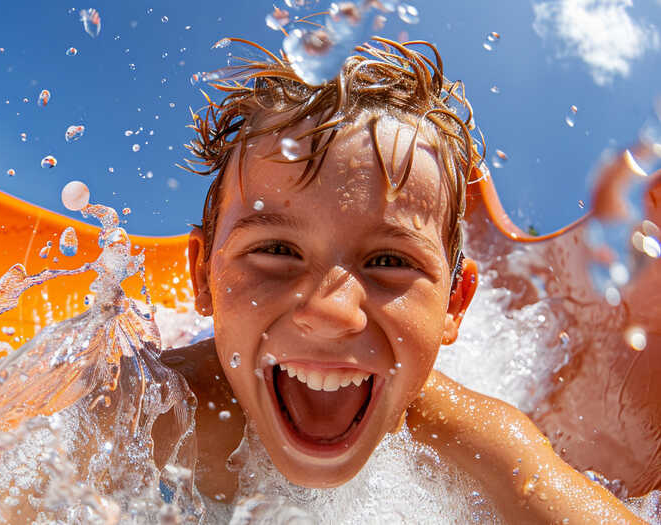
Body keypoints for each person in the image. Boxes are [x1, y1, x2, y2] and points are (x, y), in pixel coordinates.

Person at [157, 37, 649, 523]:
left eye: (390, 262)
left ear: (455, 304)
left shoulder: (475, 437)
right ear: (203, 276)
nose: (331, 313)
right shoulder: (159, 410)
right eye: (276, 251)